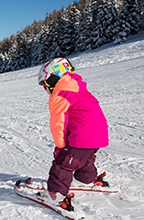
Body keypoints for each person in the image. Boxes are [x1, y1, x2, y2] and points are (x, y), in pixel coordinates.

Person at [37, 57, 109, 211]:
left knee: (63, 164)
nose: (46, 89)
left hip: (82, 137)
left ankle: (55, 194)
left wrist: (60, 146)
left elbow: (59, 123)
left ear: (54, 79)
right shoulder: (78, 88)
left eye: (46, 85)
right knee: (84, 159)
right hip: (98, 135)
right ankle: (86, 179)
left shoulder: (61, 94)